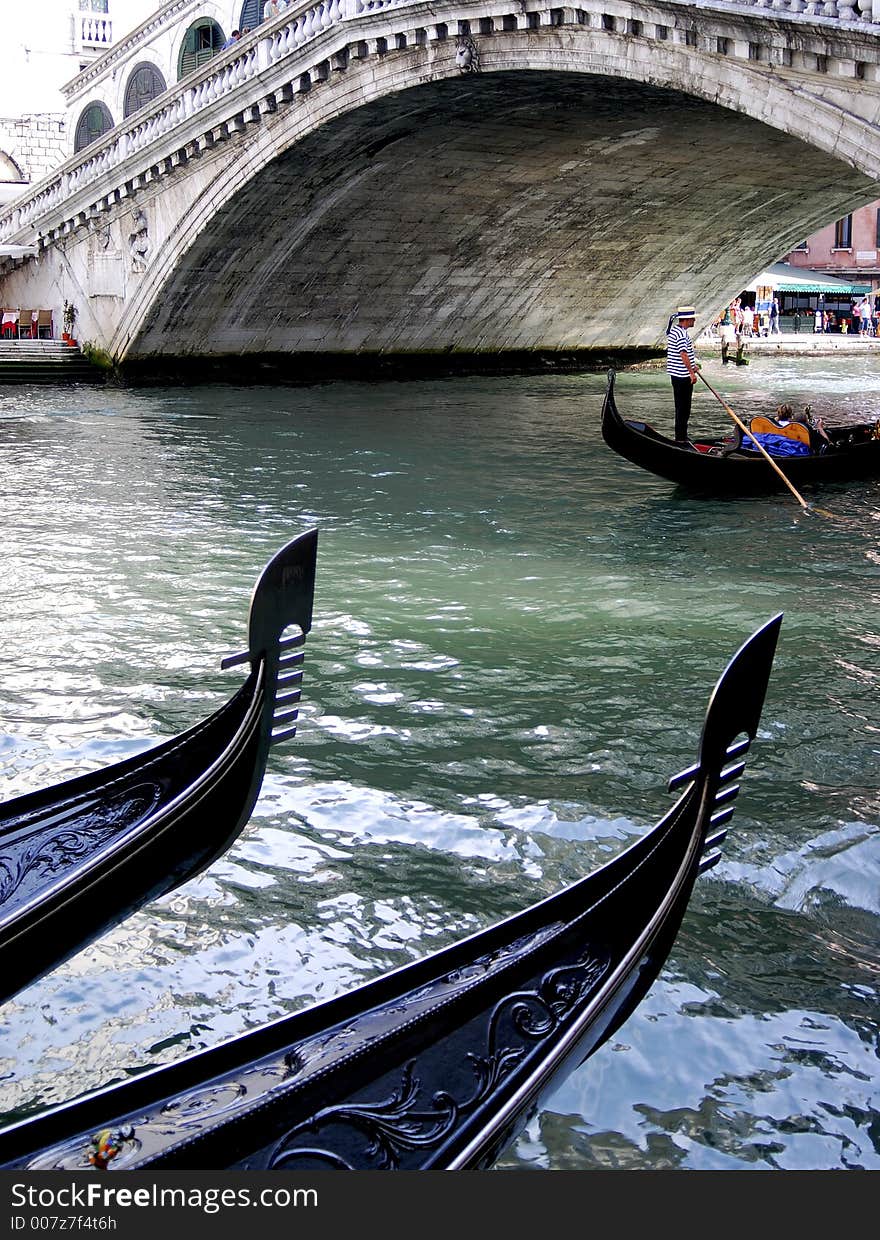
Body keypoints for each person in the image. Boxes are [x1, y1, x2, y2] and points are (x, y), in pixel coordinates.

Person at [666, 305, 700, 448]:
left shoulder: (677, 331)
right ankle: (680, 438)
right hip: (682, 377)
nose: (694, 320)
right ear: (686, 319)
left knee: (683, 408)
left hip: (679, 374)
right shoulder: (680, 334)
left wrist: (693, 366)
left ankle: (682, 436)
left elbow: (683, 355)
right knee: (683, 408)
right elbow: (683, 354)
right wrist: (691, 373)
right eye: (693, 318)